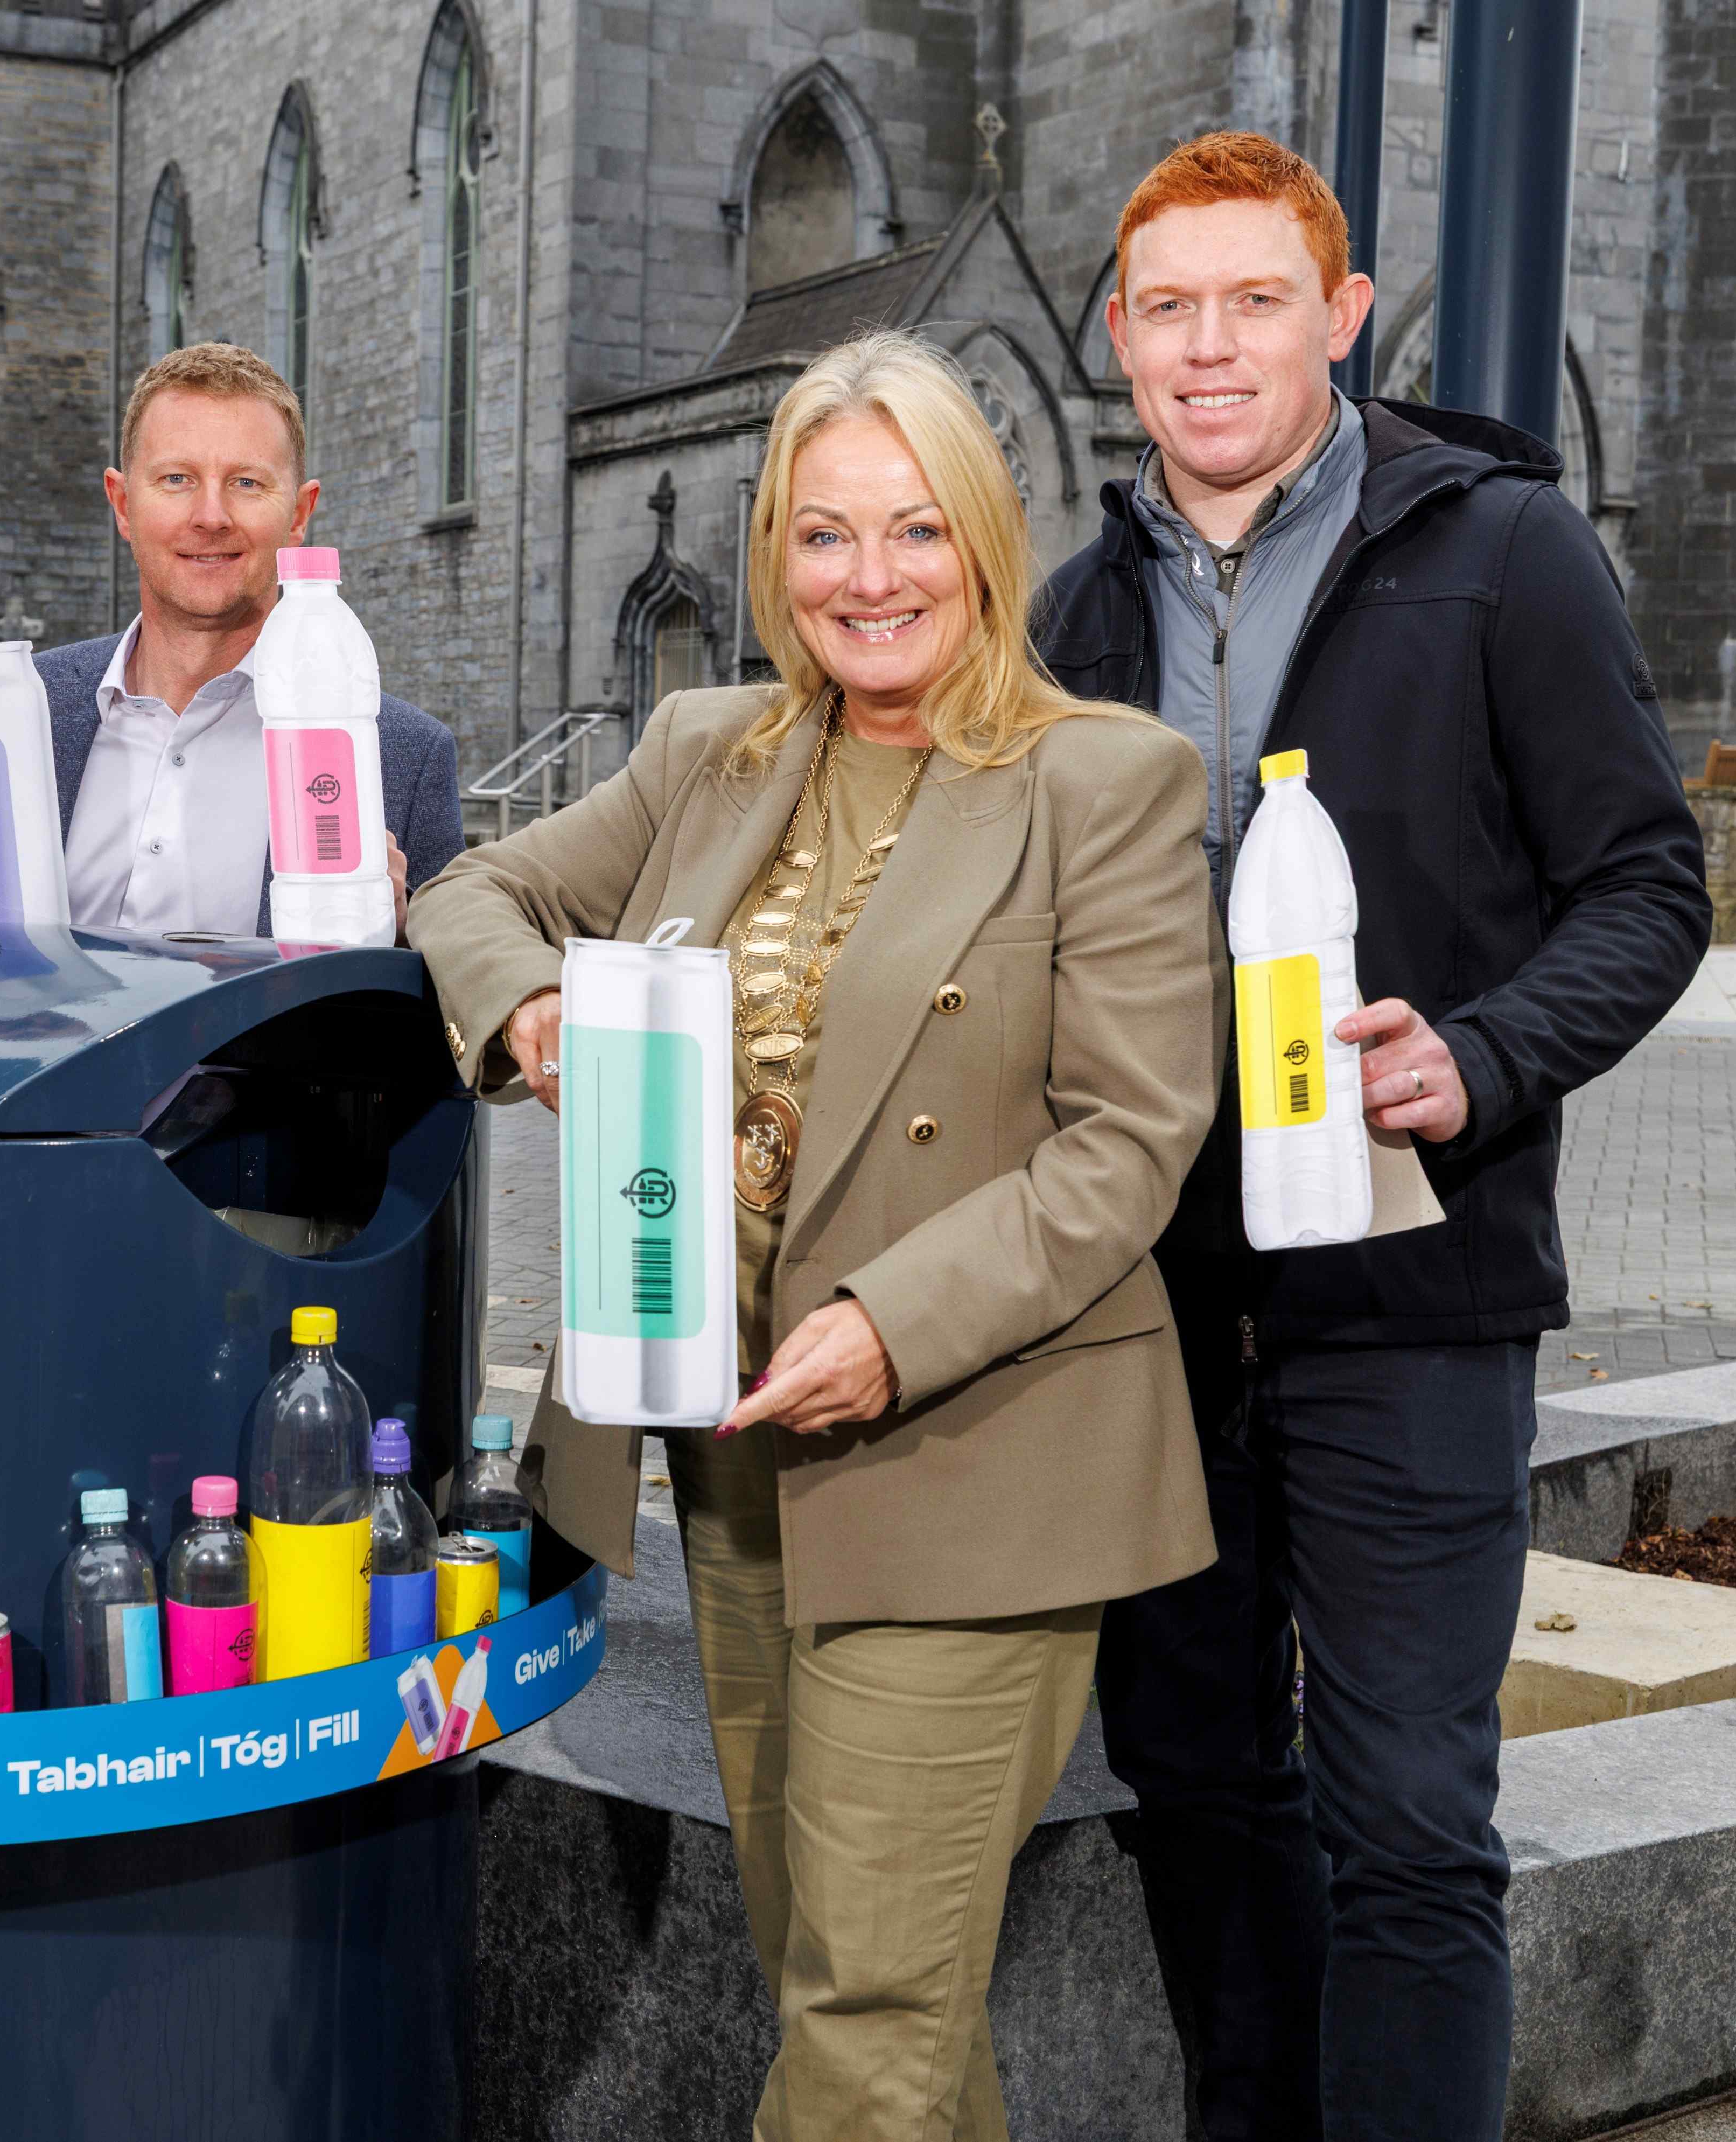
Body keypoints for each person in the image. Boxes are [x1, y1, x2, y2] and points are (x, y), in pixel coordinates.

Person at [408, 330, 1220, 2139]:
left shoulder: (1107, 779)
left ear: (985, 537)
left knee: (865, 2014)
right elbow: (471, 888)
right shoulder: (710, 747)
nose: (870, 577)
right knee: (855, 1983)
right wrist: (536, 1006)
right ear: (772, 548)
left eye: (914, 528)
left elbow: (1127, 1146)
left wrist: (891, 1323)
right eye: (825, 532)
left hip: (964, 1453)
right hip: (734, 1459)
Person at [1034, 134, 1713, 2140]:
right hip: (1149, 1315)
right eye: (1168, 307)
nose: (1207, 345)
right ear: (1116, 335)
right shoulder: (1071, 611)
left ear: (1336, 316)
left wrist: (1481, 1057)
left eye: (1254, 300)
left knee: (1408, 1815)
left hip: (1414, 1290)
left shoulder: (1500, 551)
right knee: (1193, 1782)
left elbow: (1645, 886)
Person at [41, 341, 464, 938]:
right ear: (123, 504)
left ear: (299, 513)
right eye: (177, 479)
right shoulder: (23, 709)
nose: (211, 516)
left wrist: (395, 937)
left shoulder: (406, 758)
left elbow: (441, 985)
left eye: (246, 482)